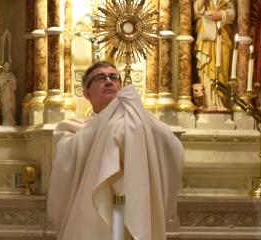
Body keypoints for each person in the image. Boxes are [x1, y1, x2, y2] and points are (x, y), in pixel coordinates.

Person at [48, 61, 183, 240]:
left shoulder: (141, 122)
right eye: (100, 77)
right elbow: (63, 167)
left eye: (114, 77)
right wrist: (109, 122)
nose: (109, 81)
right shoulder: (71, 128)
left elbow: (171, 147)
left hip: (132, 204)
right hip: (91, 211)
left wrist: (136, 115)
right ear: (86, 93)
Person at [193, 0, 235, 112]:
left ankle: (220, 101)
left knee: (222, 67)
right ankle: (208, 102)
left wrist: (221, 15)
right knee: (206, 65)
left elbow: (232, 13)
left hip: (222, 35)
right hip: (206, 36)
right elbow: (196, 10)